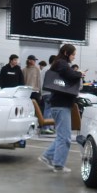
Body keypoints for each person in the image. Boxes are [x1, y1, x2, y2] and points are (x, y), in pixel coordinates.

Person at [39, 44, 83, 173]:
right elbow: (70, 75)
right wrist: (79, 73)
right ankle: (57, 164)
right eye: (73, 54)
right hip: (61, 105)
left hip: (60, 104)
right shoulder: (62, 64)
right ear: (66, 53)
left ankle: (48, 157)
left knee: (63, 136)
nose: (74, 57)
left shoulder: (60, 64)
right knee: (65, 137)